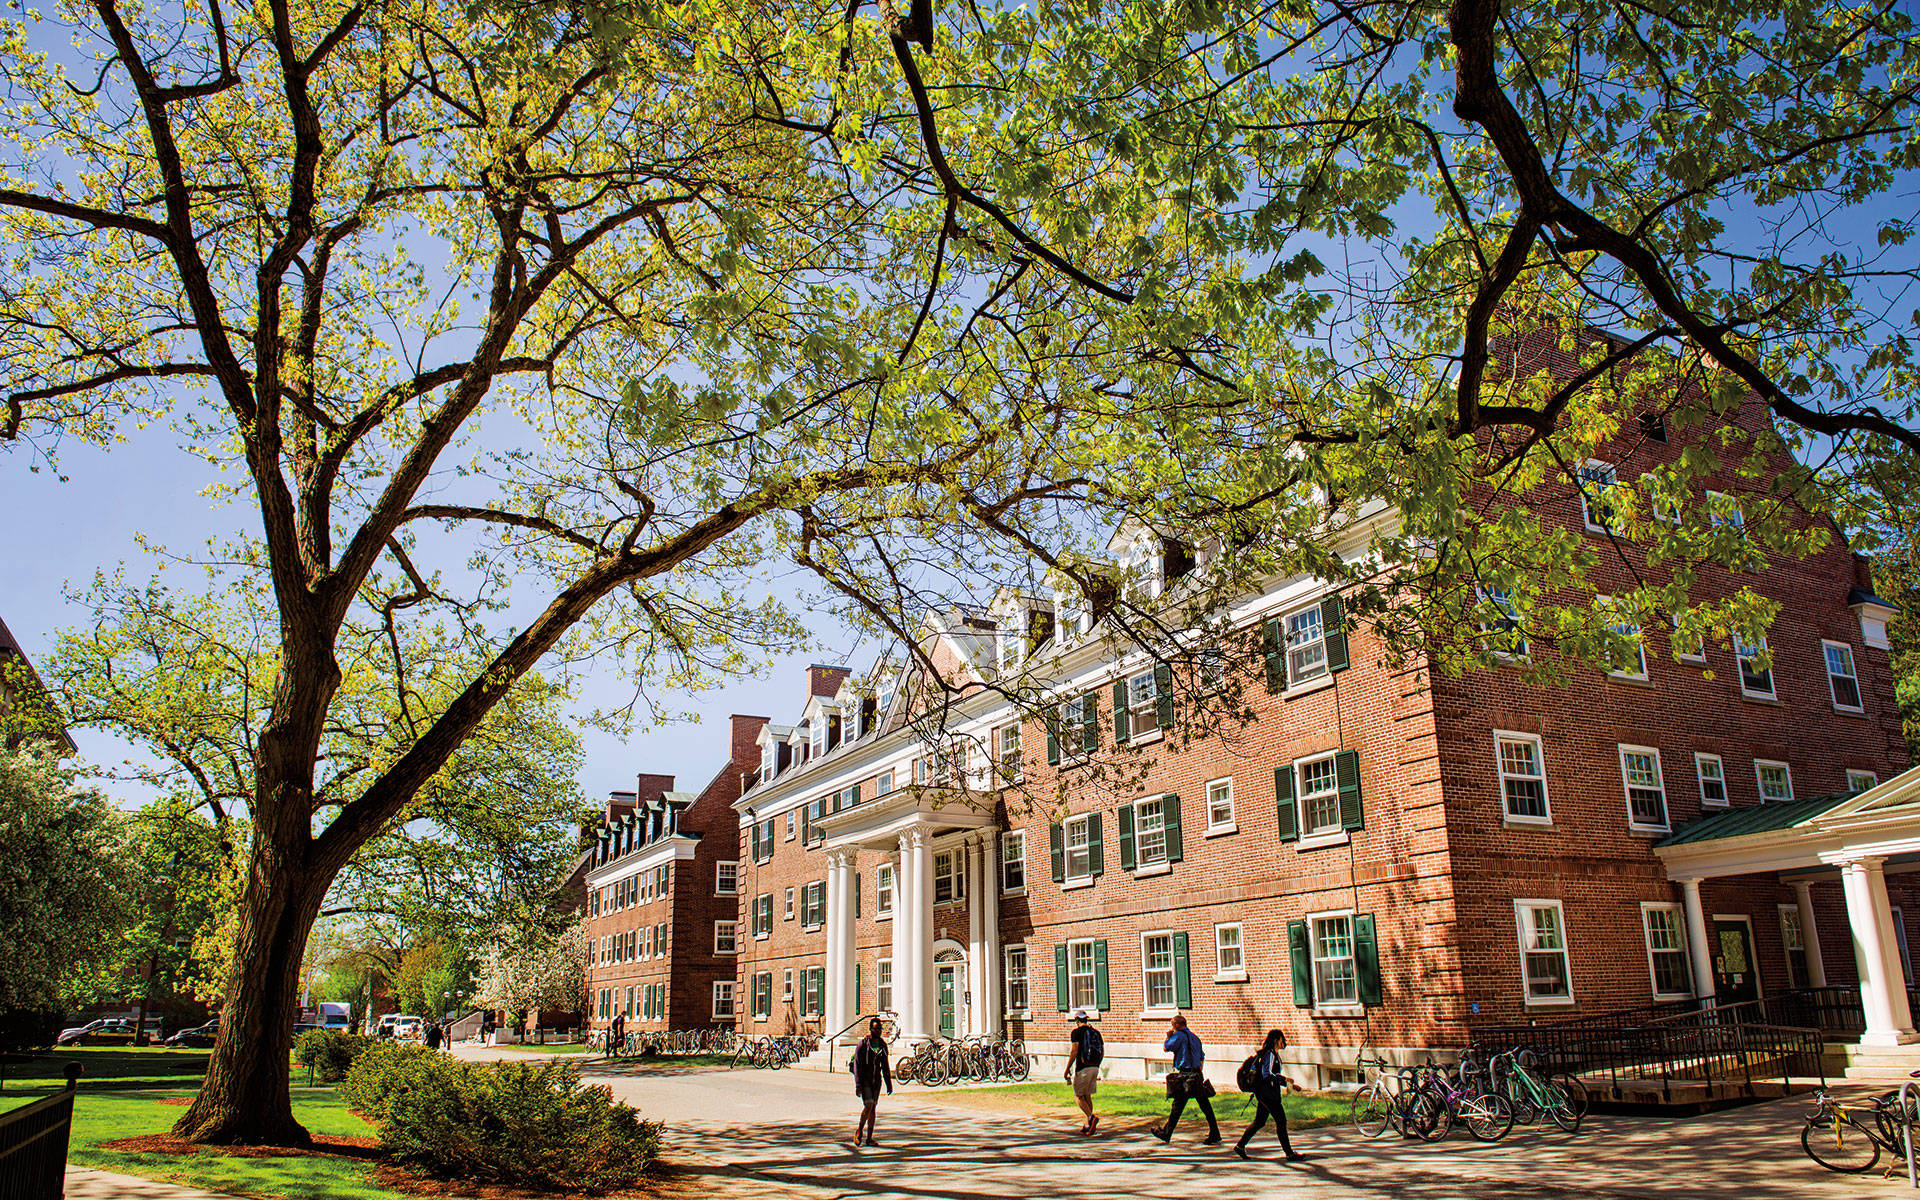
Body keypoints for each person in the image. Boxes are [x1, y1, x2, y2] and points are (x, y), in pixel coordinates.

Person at [1235, 1029, 1306, 1162]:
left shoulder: (1271, 1054)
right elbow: (1267, 1075)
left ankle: (1240, 1146)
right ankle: (1289, 1153)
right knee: (1281, 1121)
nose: (1283, 1042)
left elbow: (1271, 1076)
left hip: (1264, 1094)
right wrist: (1285, 1080)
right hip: (1268, 1095)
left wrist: (1287, 1083)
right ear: (1276, 1040)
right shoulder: (1270, 1054)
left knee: (1259, 1122)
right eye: (1281, 1039)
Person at [1152, 1014, 1219, 1144]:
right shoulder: (1195, 1038)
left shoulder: (1178, 1036)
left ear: (1177, 1025)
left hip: (1185, 1075)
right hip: (1197, 1074)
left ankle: (1166, 1133)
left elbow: (1166, 1047)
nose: (1172, 1028)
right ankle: (1215, 1132)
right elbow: (1201, 1057)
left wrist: (1168, 1036)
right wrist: (1199, 1071)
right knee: (1205, 1105)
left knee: (1178, 1105)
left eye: (1172, 1025)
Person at [849, 1017, 893, 1147]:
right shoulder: (863, 1045)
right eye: (876, 1028)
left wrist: (888, 1083)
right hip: (865, 1080)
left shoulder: (882, 1045)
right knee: (868, 1105)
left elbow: (885, 1065)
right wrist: (858, 1085)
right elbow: (857, 1065)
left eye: (880, 1029)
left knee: (873, 1108)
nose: (878, 1031)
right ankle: (859, 1131)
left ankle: (869, 1138)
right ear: (870, 1029)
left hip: (876, 1081)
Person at [1064, 1009, 1104, 1135]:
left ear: (1076, 1020)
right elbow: (1102, 1050)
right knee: (1087, 1095)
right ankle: (1088, 1125)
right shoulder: (1096, 1032)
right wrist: (1097, 1064)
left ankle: (1091, 1118)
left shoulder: (1076, 1033)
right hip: (1095, 1067)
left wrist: (1067, 1068)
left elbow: (1074, 1051)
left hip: (1083, 1067)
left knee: (1078, 1096)